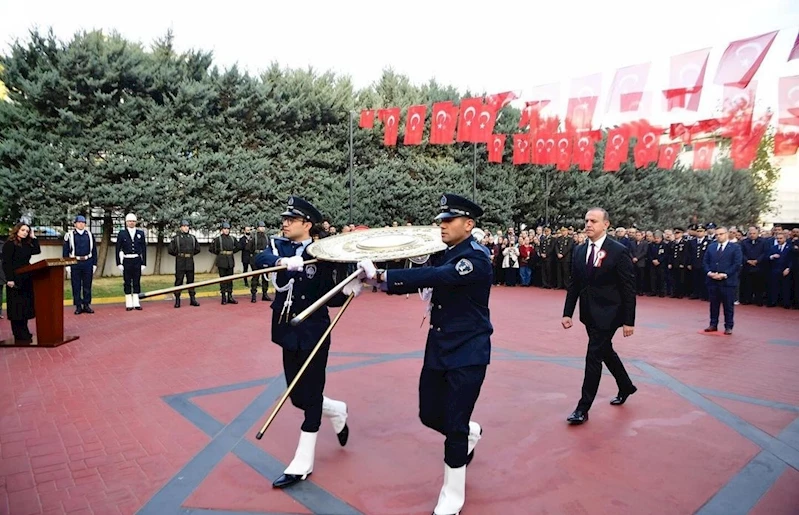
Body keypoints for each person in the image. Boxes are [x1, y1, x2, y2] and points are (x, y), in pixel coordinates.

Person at [361, 193, 493, 515]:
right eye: (441, 221)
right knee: (429, 415)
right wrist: (372, 283)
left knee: (455, 425)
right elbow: (423, 277)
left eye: (449, 220)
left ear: (469, 224)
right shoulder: (445, 253)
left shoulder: (475, 257)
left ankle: (452, 496)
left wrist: (383, 277)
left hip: (468, 351)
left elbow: (439, 277)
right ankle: (469, 432)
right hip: (438, 347)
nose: (443, 226)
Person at [253, 196, 351, 489]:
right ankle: (336, 410)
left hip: (314, 328)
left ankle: (302, 462)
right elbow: (260, 259)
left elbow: (334, 297)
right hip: (286, 327)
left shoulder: (322, 251)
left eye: (291, 220)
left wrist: (349, 286)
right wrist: (283, 262)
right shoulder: (278, 246)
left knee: (311, 394)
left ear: (307, 224)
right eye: (284, 218)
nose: (284, 223)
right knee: (297, 395)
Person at [562, 207, 637, 426]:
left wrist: (629, 321)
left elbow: (628, 288)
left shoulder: (618, 251)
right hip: (589, 313)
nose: (588, 224)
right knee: (605, 351)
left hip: (610, 313)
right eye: (586, 220)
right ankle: (625, 385)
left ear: (606, 224)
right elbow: (574, 284)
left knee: (593, 355)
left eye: (593, 221)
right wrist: (568, 313)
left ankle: (582, 408)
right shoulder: (579, 250)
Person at [2, 223, 41, 342]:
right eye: (23, 230)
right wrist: (9, 279)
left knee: (25, 306)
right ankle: (18, 333)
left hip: (26, 278)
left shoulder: (27, 243)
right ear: (17, 230)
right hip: (14, 278)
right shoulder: (9, 244)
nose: (25, 232)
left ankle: (25, 330)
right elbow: (6, 262)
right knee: (16, 307)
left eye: (27, 231)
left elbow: (37, 251)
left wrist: (34, 237)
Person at [702, 226, 744, 334]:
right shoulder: (711, 247)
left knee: (728, 305)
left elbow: (737, 264)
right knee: (713, 304)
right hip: (713, 280)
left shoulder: (735, 247)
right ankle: (713, 324)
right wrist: (710, 273)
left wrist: (724, 274)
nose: (718, 236)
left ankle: (728, 326)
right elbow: (705, 262)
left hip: (727, 281)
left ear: (726, 234)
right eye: (717, 235)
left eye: (721, 234)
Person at [63, 215, 98, 314]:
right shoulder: (69, 235)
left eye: (83, 222)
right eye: (79, 222)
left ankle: (86, 305)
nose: (81, 224)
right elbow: (65, 251)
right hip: (75, 262)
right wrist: (67, 265)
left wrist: (94, 264)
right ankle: (78, 306)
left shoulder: (90, 235)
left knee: (87, 284)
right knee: (76, 285)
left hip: (87, 262)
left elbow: (94, 250)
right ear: (75, 224)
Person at [115, 213, 147, 311]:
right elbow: (117, 249)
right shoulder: (122, 233)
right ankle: (129, 302)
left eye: (133, 221)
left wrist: (144, 263)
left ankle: (136, 302)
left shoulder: (140, 233)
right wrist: (119, 263)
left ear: (136, 222)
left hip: (137, 260)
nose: (131, 223)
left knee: (137, 281)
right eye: (129, 221)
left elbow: (144, 249)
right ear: (126, 222)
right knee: (127, 281)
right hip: (127, 260)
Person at [167, 219, 201, 308]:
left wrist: (190, 255)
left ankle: (192, 299)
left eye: (187, 226)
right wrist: (179, 255)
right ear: (180, 227)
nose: (186, 228)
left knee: (191, 281)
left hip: (190, 260)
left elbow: (197, 249)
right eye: (184, 226)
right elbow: (170, 250)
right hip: (180, 261)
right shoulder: (176, 238)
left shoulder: (192, 238)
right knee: (179, 280)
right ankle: (177, 300)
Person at [209, 222, 240, 305]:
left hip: (230, 260)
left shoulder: (232, 239)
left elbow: (238, 247)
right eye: (225, 229)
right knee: (222, 279)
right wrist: (219, 254)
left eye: (228, 229)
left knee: (230, 280)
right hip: (222, 261)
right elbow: (212, 249)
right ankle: (223, 297)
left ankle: (230, 296)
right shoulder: (218, 239)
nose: (226, 230)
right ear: (222, 230)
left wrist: (231, 252)